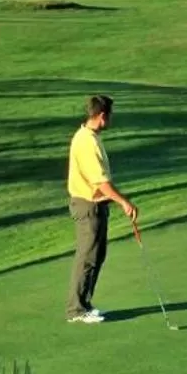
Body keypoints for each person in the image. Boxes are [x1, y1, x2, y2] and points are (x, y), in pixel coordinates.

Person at [66, 93, 137, 323]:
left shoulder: (90, 137)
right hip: (88, 206)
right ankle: (76, 310)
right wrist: (123, 202)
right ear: (102, 116)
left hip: (95, 204)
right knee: (87, 257)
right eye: (111, 115)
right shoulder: (86, 142)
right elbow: (100, 182)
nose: (112, 120)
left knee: (97, 255)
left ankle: (85, 304)